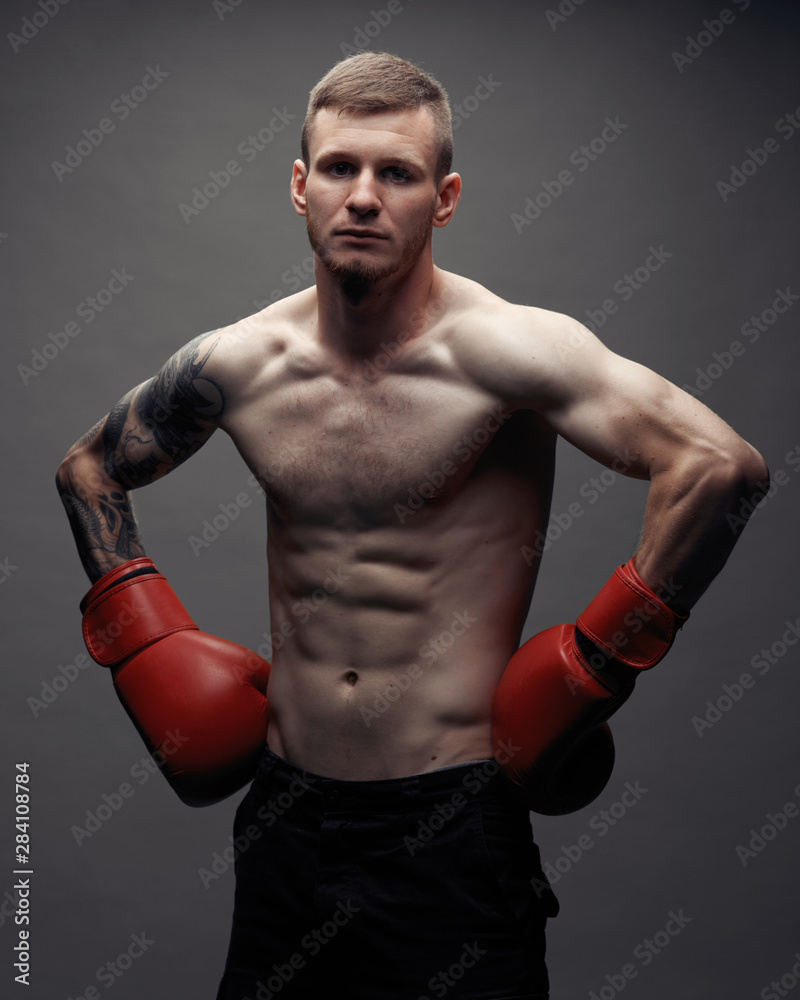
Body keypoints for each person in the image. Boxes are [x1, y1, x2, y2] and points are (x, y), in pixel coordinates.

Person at [57, 52, 768, 1000]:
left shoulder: (510, 351)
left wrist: (598, 662)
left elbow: (721, 466)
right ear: (301, 187)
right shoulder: (240, 364)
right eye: (342, 169)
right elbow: (90, 470)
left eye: (396, 173)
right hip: (288, 821)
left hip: (453, 827)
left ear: (444, 197)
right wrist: (145, 650)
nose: (363, 196)